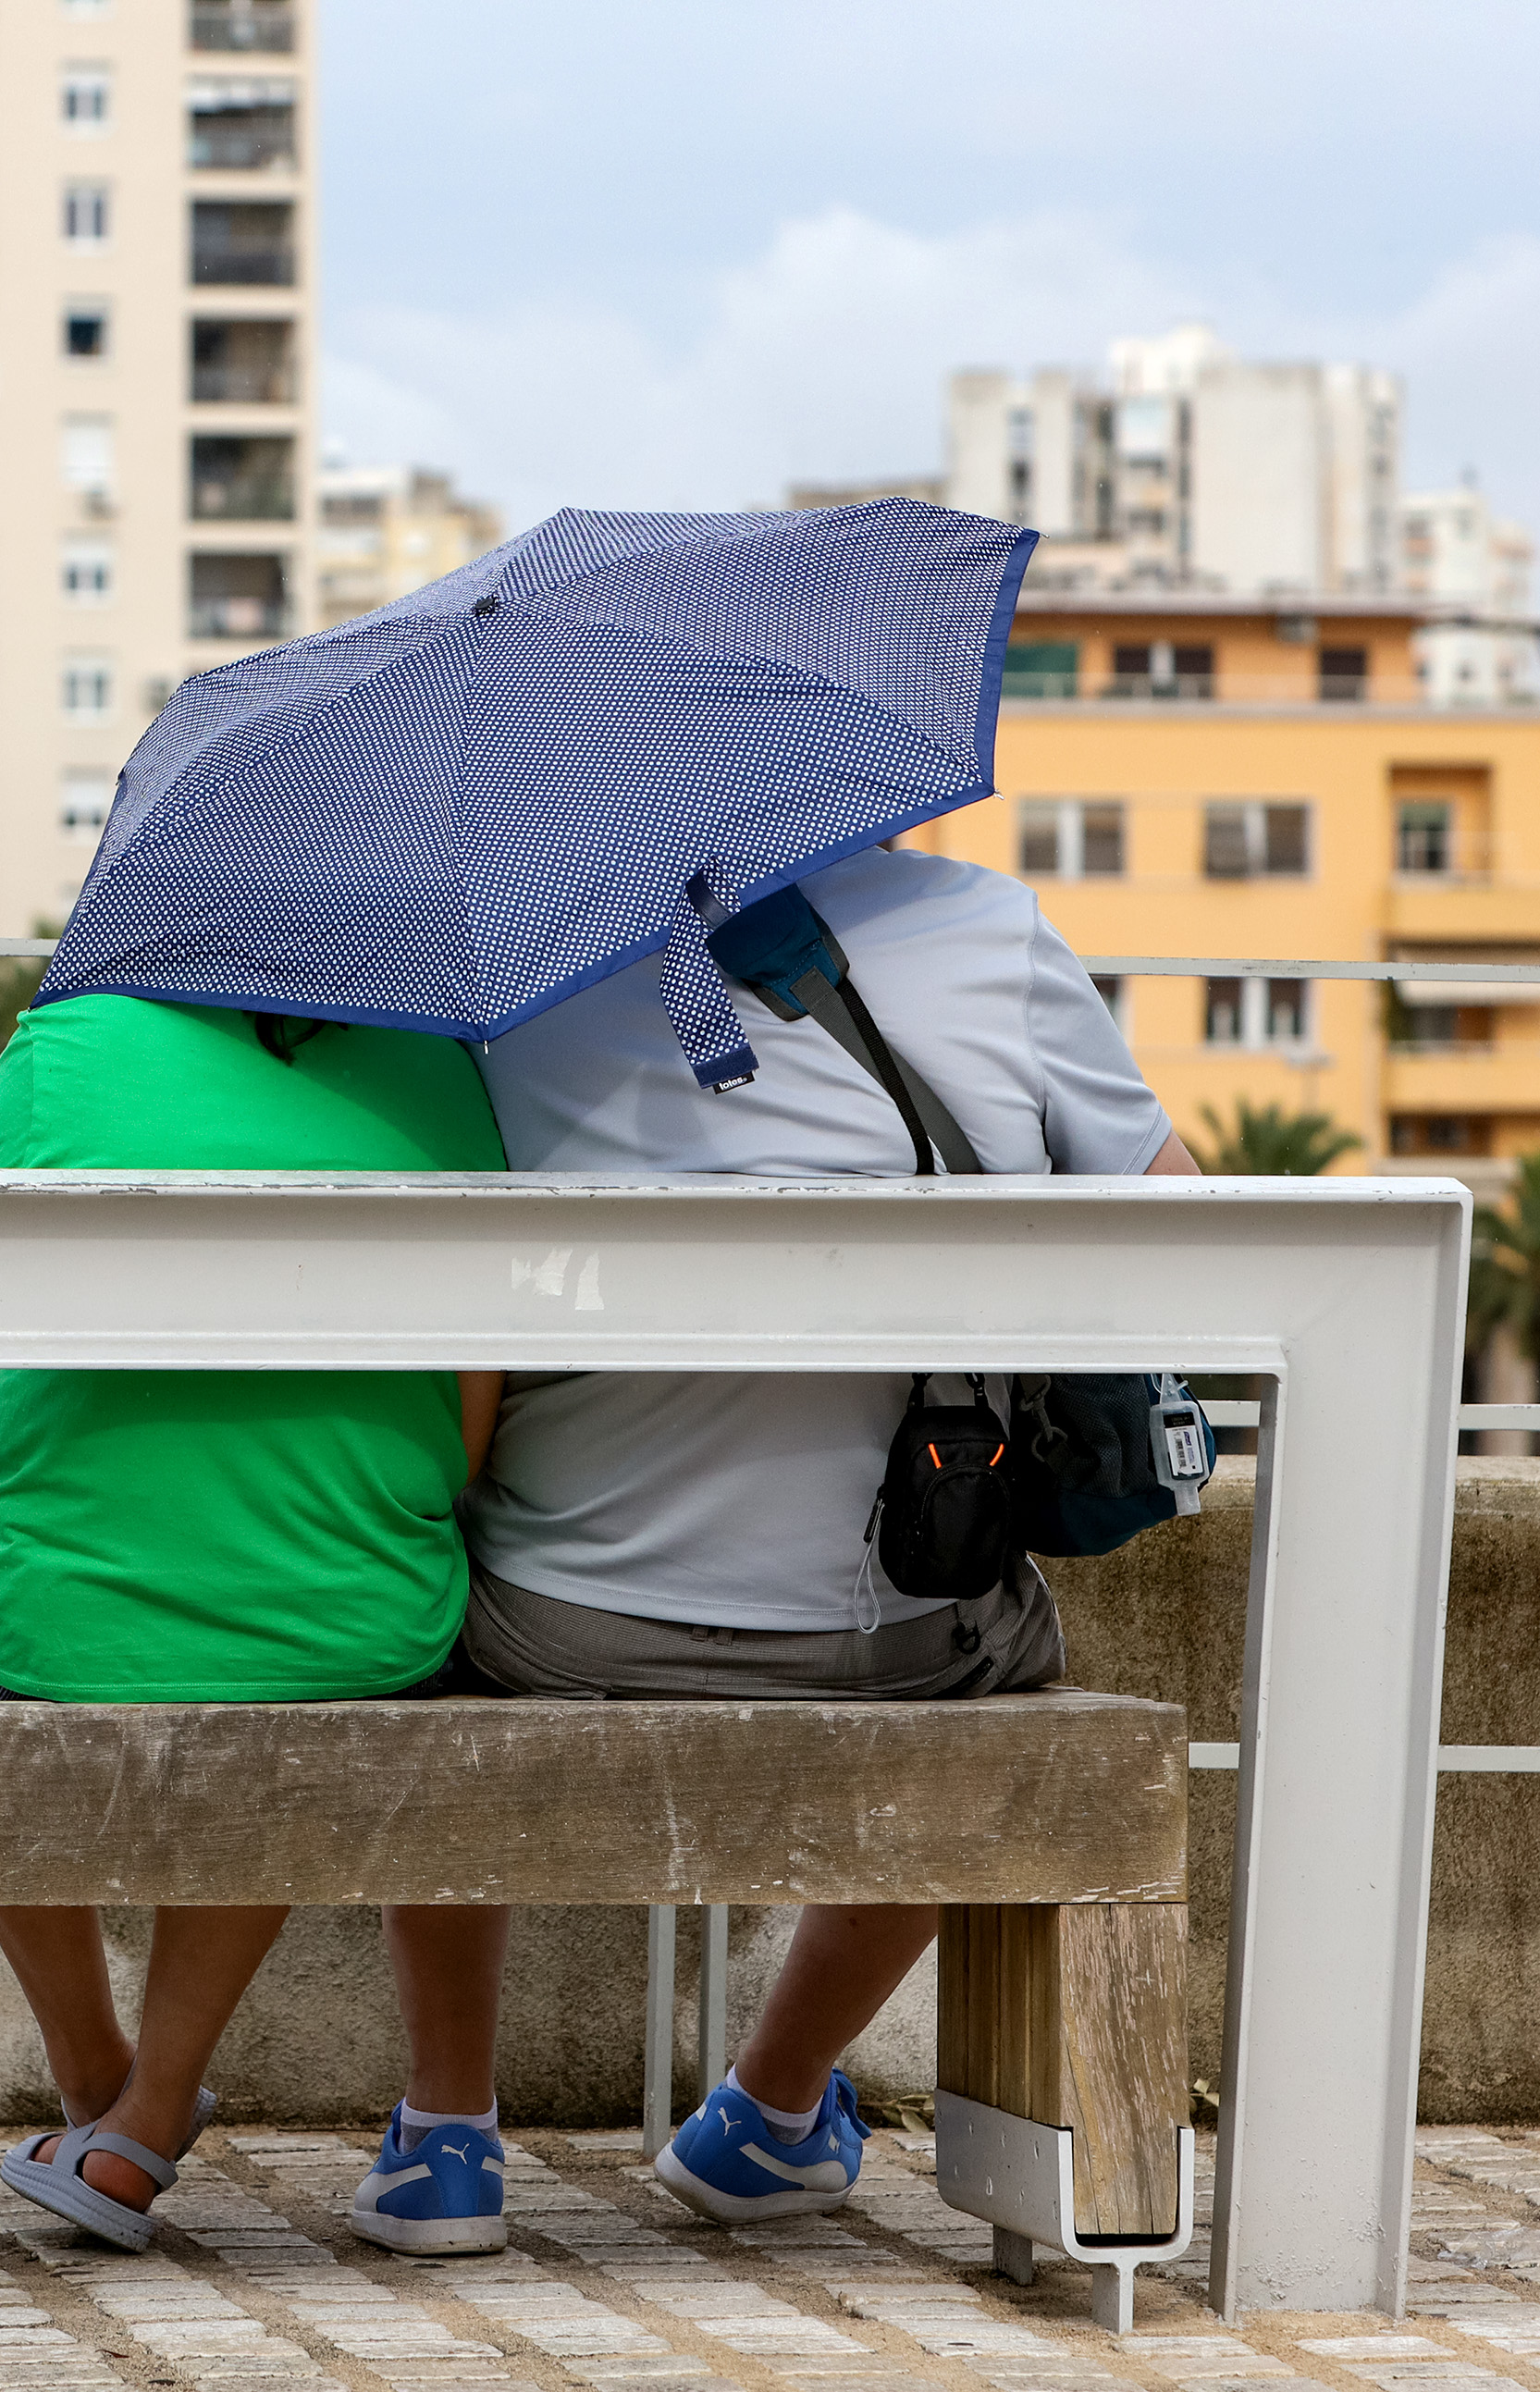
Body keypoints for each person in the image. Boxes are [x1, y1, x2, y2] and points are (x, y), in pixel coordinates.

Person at [349, 840, 1200, 2257]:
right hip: (904, 1635)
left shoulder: (497, 971)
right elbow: (1191, 1228)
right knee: (1015, 1666)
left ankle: (447, 2137)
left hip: (551, 1627)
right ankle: (772, 2110)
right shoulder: (984, 926)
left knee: (428, 1621)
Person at [0, 991, 507, 2252]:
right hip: (355, 1616)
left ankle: (96, 2087)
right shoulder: (442, 1071)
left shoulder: (62, 1043)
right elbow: (461, 1446)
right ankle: (149, 2104)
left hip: (47, 1613)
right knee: (287, 1656)